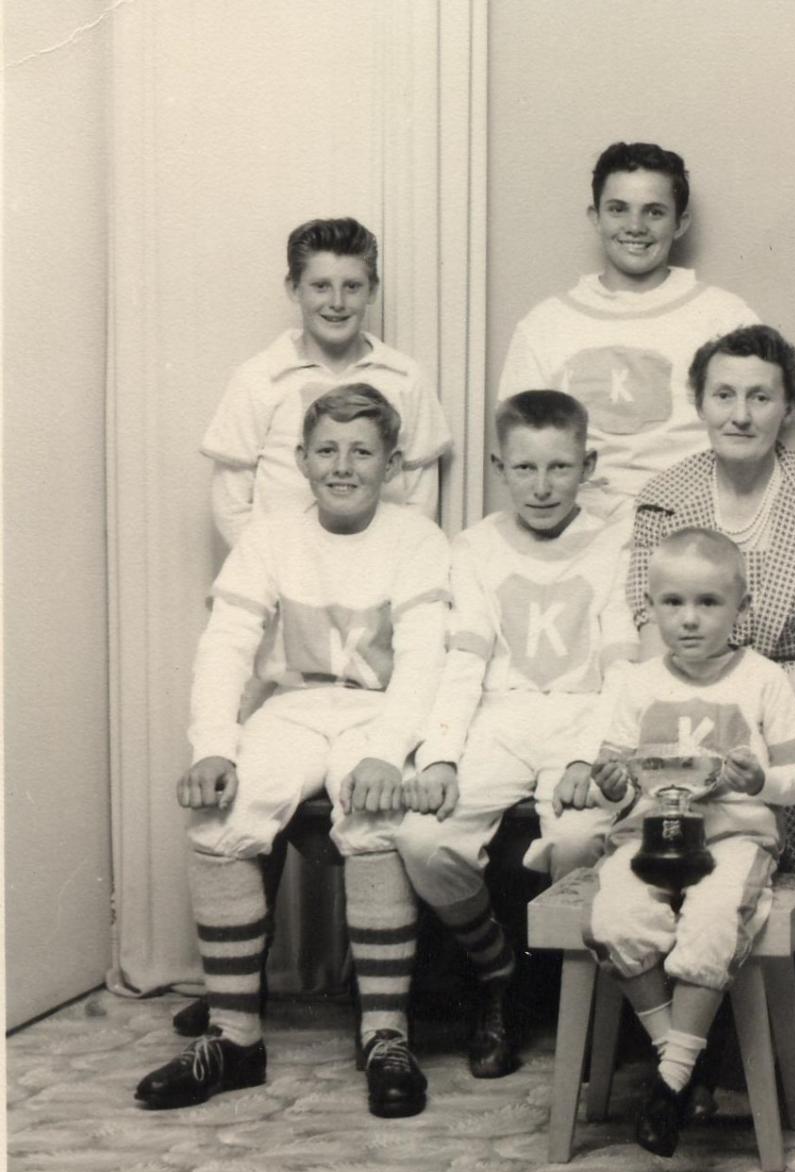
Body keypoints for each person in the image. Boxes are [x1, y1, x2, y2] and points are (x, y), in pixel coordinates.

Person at [135, 385, 450, 1119]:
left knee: (376, 816)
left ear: (393, 463)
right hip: (295, 708)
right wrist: (214, 746)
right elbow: (227, 647)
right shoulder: (270, 537)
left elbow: (426, 661)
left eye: (362, 451)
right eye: (328, 450)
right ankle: (236, 1037)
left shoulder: (416, 540)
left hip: (378, 712)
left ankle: (384, 1033)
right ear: (303, 460)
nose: (344, 466)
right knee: (221, 818)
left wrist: (388, 752)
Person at [394, 389, 636, 1080]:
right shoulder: (474, 548)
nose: (542, 485)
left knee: (580, 837)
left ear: (588, 464)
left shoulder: (615, 543)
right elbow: (464, 660)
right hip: (498, 715)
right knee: (423, 836)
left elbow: (623, 664)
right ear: (500, 465)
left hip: (583, 714)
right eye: (525, 468)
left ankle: (576, 996)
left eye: (560, 468)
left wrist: (595, 753)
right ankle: (498, 972)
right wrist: (440, 754)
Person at [628, 324, 795, 995]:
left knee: (784, 787)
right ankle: (677, 970)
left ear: (789, 405)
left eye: (761, 397)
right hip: (682, 692)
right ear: (698, 403)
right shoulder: (665, 498)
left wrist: (756, 720)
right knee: (663, 786)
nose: (740, 413)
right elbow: (651, 635)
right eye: (723, 395)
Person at [586, 529, 795, 1158]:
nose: (689, 620)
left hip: (733, 839)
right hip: (646, 840)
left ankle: (667, 1079)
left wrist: (762, 779)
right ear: (652, 607)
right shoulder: (634, 683)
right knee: (617, 917)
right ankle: (678, 1072)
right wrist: (608, 786)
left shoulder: (763, 679)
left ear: (741, 608)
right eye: (672, 603)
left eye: (709, 603)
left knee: (714, 920)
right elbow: (610, 786)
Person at [497, 142, 759, 505]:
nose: (635, 227)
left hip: (692, 523)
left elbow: (754, 431)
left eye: (654, 212)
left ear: (680, 223)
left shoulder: (725, 318)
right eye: (618, 210)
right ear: (596, 217)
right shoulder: (545, 325)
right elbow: (520, 448)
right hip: (574, 525)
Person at [202, 217, 452, 546]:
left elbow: (420, 497)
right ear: (294, 289)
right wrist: (272, 572)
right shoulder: (259, 378)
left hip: (378, 574)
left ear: (372, 290)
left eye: (352, 286)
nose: (337, 302)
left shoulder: (404, 378)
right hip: (286, 577)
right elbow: (231, 504)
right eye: (320, 286)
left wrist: (389, 566)